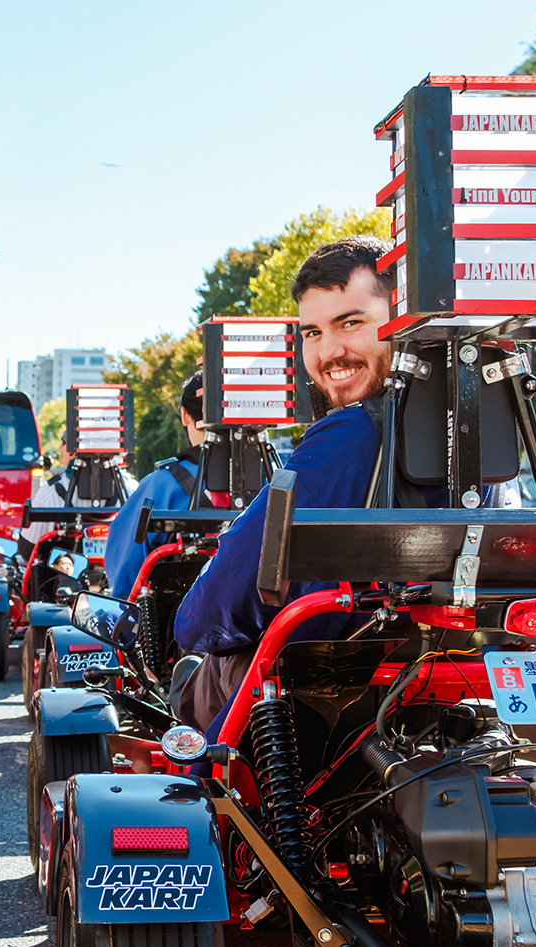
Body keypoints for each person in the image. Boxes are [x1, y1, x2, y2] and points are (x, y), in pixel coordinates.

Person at [169, 237, 395, 731]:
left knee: (194, 683)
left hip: (329, 709)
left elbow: (208, 611)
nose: (329, 351)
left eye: (351, 323)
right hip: (444, 689)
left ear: (401, 318)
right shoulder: (486, 437)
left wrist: (192, 631)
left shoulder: (350, 436)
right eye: (313, 332)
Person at [102, 371, 207, 599]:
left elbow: (125, 572)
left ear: (185, 415)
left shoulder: (160, 485)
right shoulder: (272, 481)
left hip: (176, 616)